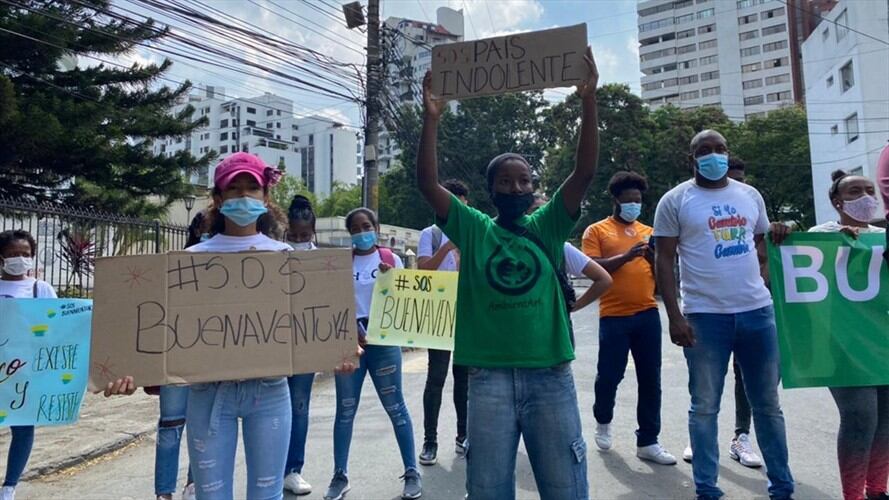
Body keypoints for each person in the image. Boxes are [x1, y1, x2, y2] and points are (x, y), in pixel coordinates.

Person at [103, 153, 358, 500]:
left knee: (267, 496)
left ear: (265, 197)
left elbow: (312, 328)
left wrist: (337, 349)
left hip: (269, 393)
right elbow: (156, 334)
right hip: (207, 397)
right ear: (218, 199)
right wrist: (126, 370)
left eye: (251, 188)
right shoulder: (187, 263)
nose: (242, 197)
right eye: (232, 189)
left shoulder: (289, 260)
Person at [416, 46, 599, 499]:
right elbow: (427, 184)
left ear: (536, 188)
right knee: (488, 488)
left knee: (565, 486)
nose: (516, 188)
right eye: (505, 182)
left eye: (525, 182)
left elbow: (585, 171)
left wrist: (589, 100)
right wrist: (432, 119)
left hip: (550, 375)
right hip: (488, 378)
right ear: (490, 190)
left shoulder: (550, 224)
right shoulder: (473, 229)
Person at [654, 130, 794, 500]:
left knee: (768, 406)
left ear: (728, 154)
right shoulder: (675, 200)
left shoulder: (750, 196)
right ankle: (706, 488)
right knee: (704, 408)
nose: (713, 156)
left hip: (757, 313)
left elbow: (762, 242)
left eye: (719, 149)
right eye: (704, 151)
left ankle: (782, 487)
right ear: (692, 159)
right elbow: (664, 260)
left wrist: (779, 232)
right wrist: (674, 315)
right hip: (704, 318)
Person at [772, 170, 887, 500]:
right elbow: (797, 261)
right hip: (842, 344)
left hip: (882, 340)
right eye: (854, 192)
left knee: (885, 420)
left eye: (869, 190)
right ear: (837, 202)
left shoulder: (881, 236)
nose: (865, 196)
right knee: (860, 417)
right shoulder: (821, 235)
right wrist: (789, 229)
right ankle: (853, 494)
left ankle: (877, 489)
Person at [324, 207, 421, 500]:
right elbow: (332, 301)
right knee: (344, 412)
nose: (362, 232)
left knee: (396, 409)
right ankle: (339, 475)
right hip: (349, 345)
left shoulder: (390, 260)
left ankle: (412, 471)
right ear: (349, 234)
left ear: (376, 229)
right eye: (355, 229)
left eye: (366, 226)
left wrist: (389, 280)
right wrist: (351, 332)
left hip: (383, 345)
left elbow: (405, 300)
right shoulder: (341, 262)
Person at [581, 172, 675, 465]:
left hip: (647, 313)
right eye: (629, 200)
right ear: (616, 200)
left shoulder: (649, 230)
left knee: (651, 378)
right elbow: (592, 267)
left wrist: (649, 258)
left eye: (638, 200)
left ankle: (648, 440)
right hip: (614, 316)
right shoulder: (597, 231)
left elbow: (662, 275)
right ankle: (603, 420)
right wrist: (627, 256)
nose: (635, 204)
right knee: (609, 376)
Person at [682, 158, 763, 469]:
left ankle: (741, 436)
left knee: (746, 382)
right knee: (704, 383)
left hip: (749, 310)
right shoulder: (691, 207)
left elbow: (768, 247)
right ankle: (700, 436)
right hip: (707, 313)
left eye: (740, 179)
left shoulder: (751, 205)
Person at [0, 230, 57, 500]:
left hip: (26, 371)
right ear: (2, 257)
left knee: (22, 428)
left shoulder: (40, 289)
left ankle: (9, 487)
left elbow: (59, 327)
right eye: (13, 254)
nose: (19, 259)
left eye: (25, 254)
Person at [417, 179, 470, 466]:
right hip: (438, 314)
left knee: (464, 380)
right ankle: (430, 440)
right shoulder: (432, 234)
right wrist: (448, 246)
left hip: (466, 315)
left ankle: (463, 435)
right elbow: (422, 269)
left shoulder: (473, 234)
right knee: (435, 379)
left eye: (463, 206)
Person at [283, 194, 320, 496]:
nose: (297, 240)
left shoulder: (325, 265)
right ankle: (272, 467)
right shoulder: (272, 257)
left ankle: (293, 469)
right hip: (274, 344)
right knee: (270, 408)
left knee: (299, 407)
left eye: (304, 236)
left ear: (313, 234)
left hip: (306, 347)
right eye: (293, 236)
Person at [529, 193, 612, 313]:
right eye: (536, 211)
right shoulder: (507, 246)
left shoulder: (563, 249)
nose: (542, 216)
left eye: (545, 211)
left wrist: (574, 307)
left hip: (554, 324)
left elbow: (604, 280)